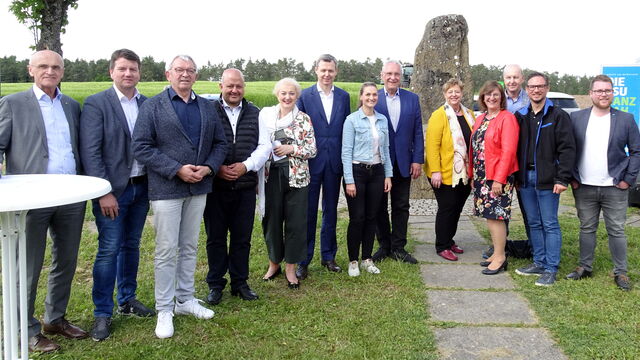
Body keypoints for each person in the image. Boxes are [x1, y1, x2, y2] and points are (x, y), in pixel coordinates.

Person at [132, 55, 227, 338]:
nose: (185, 74)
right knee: (165, 249)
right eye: (179, 70)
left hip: (199, 186)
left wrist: (209, 167)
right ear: (168, 74)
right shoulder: (153, 106)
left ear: (196, 76)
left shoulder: (207, 107)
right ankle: (164, 308)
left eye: (190, 70)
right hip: (167, 188)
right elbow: (141, 146)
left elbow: (220, 142)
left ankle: (185, 299)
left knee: (189, 245)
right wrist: (176, 170)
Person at [0, 50, 87, 352]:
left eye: (56, 66)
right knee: (28, 265)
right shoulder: (13, 104)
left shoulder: (71, 106)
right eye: (43, 66)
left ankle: (55, 318)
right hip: (31, 198)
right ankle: (26, 329)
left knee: (66, 260)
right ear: (31, 70)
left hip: (70, 196)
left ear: (63, 71)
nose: (50, 71)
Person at [79, 49, 155, 342]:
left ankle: (127, 299)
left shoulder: (146, 104)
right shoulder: (98, 104)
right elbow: (91, 152)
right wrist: (104, 192)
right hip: (112, 191)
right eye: (122, 69)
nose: (128, 74)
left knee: (131, 245)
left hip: (141, 186)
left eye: (133, 69)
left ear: (139, 73)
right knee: (109, 249)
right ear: (111, 71)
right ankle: (102, 312)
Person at [566, 74, 640, 291]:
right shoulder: (577, 118)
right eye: (598, 90)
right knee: (586, 227)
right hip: (584, 185)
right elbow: (568, 149)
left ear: (612, 93)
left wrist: (628, 179)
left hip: (615, 186)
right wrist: (572, 176)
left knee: (616, 230)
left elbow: (636, 151)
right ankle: (584, 267)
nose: (603, 94)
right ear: (591, 94)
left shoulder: (626, 119)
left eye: (607, 90)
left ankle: (621, 272)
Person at [203, 68, 270, 305]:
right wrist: (216, 167)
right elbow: (202, 143)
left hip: (244, 186)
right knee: (216, 237)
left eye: (238, 86)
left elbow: (264, 146)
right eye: (229, 86)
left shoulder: (255, 113)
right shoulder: (208, 110)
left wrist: (246, 166)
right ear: (221, 86)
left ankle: (240, 282)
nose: (234, 90)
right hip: (216, 187)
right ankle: (215, 284)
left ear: (244, 88)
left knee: (242, 238)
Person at [513, 72, 575, 286]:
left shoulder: (558, 116)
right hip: (525, 178)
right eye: (532, 87)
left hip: (548, 178)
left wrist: (562, 178)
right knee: (533, 222)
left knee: (549, 223)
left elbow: (568, 150)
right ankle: (539, 261)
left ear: (547, 88)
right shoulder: (520, 116)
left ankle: (551, 268)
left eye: (540, 86)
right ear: (527, 89)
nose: (536, 90)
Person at [295, 54, 351, 279]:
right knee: (307, 212)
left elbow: (346, 130)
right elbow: (298, 128)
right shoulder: (305, 96)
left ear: (336, 72)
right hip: (310, 162)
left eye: (331, 70)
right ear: (316, 71)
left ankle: (328, 256)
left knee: (331, 211)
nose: (327, 74)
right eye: (323, 70)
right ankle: (303, 260)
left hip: (333, 162)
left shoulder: (344, 97)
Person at [260, 78, 317, 289]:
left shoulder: (303, 119)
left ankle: (291, 268)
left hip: (297, 177)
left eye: (291, 93)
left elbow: (312, 150)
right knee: (272, 220)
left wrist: (291, 149)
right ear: (277, 94)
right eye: (283, 93)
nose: (287, 97)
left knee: (295, 223)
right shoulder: (265, 116)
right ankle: (273, 264)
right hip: (270, 175)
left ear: (297, 96)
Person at [373, 60, 424, 264]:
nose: (393, 77)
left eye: (396, 74)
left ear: (401, 76)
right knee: (379, 206)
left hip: (404, 161)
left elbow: (418, 131)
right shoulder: (373, 97)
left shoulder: (412, 99)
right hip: (379, 161)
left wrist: (417, 159)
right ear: (382, 75)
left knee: (401, 205)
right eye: (389, 73)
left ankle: (398, 247)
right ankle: (384, 246)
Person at [342, 82, 392, 276]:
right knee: (358, 218)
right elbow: (346, 152)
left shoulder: (382, 120)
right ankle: (353, 260)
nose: (371, 98)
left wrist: (388, 175)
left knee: (372, 217)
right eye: (368, 95)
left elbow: (385, 150)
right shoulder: (351, 120)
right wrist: (349, 180)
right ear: (361, 97)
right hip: (357, 172)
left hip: (377, 172)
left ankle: (367, 259)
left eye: (374, 95)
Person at [469, 81, 519, 275]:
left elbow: (508, 151)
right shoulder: (481, 118)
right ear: (482, 98)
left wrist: (499, 179)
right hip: (483, 175)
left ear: (502, 97)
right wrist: (474, 174)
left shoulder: (507, 118)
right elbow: (475, 148)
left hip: (498, 176)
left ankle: (500, 257)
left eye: (496, 94)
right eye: (488, 94)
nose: (491, 98)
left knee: (496, 216)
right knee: (489, 217)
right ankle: (496, 252)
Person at [424, 78, 474, 261]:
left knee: (457, 208)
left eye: (457, 91)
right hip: (444, 172)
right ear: (445, 94)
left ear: (462, 93)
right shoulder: (439, 115)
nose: (454, 95)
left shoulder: (469, 114)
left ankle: (449, 239)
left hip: (464, 173)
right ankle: (442, 245)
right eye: (450, 92)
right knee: (447, 207)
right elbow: (432, 145)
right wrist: (435, 170)